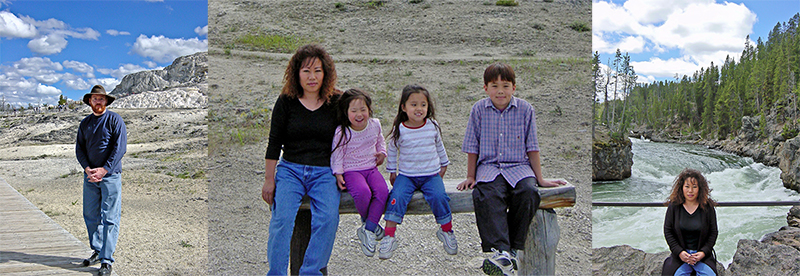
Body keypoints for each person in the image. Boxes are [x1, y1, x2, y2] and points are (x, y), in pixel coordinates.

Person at [457, 62, 566, 276]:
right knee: (487, 194)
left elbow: (532, 147)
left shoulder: (525, 109)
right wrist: (470, 175)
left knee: (528, 193)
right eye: (494, 86)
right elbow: (472, 146)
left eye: (505, 86)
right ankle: (502, 251)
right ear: (485, 88)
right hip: (489, 167)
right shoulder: (479, 109)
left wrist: (540, 179)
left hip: (519, 167)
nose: (500, 91)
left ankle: (512, 251)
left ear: (514, 88)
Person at [261, 44, 341, 275]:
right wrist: (269, 179)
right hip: (291, 171)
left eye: (317, 70)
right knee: (282, 221)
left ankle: (310, 272)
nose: (312, 76)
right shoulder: (286, 101)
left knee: (328, 219)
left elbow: (358, 125)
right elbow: (274, 142)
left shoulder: (336, 102)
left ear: (325, 73)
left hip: (324, 172)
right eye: (306, 71)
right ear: (297, 74)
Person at [379, 84, 457, 259]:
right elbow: (391, 150)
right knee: (396, 197)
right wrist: (392, 171)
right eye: (413, 105)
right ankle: (389, 235)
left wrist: (444, 165)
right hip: (407, 176)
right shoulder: (400, 129)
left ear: (428, 107)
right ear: (404, 107)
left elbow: (439, 146)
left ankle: (446, 230)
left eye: (423, 104)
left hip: (431, 175)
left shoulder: (432, 126)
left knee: (440, 196)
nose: (419, 109)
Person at [75, 84, 127, 276]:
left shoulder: (114, 120)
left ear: (106, 101)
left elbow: (120, 148)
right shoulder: (85, 123)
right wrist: (88, 169)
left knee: (110, 217)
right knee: (90, 214)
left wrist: (104, 170)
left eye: (101, 98)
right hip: (90, 176)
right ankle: (97, 250)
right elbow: (80, 148)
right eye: (94, 98)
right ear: (90, 101)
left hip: (110, 176)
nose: (98, 101)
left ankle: (106, 260)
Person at [330, 88, 389, 257]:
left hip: (370, 168)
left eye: (363, 110)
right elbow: (337, 153)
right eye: (354, 110)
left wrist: (382, 153)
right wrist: (338, 173)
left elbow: (380, 140)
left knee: (382, 191)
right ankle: (369, 222)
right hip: (351, 171)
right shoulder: (342, 131)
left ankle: (368, 228)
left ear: (369, 110)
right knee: (363, 192)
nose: (359, 114)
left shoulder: (375, 124)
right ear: (346, 112)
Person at [662, 168, 718, 276]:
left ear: (700, 188)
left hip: (702, 256)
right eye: (687, 187)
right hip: (680, 256)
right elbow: (668, 231)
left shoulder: (708, 207)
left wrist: (703, 253)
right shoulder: (674, 206)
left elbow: (713, 233)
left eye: (694, 187)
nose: (690, 191)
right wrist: (679, 252)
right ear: (681, 188)